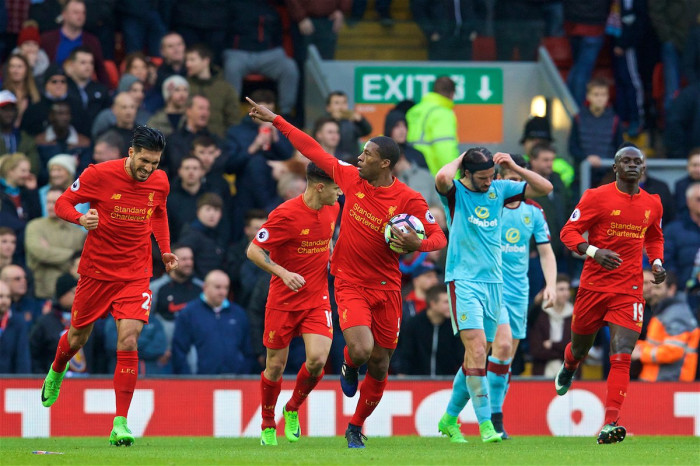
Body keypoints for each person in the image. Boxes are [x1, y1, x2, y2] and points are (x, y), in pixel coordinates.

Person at [247, 96, 447, 449]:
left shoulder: (409, 199)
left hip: (387, 287)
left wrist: (416, 245)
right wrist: (276, 119)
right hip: (349, 281)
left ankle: (356, 425)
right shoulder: (349, 178)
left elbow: (437, 236)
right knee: (360, 349)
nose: (359, 158)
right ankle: (349, 365)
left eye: (367, 155)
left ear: (385, 163)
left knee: (382, 364)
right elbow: (311, 148)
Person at [40, 125, 178, 447]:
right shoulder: (98, 175)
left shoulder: (160, 181)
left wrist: (165, 249)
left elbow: (158, 213)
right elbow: (63, 202)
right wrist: (80, 219)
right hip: (97, 272)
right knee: (78, 336)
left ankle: (120, 422)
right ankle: (58, 368)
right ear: (130, 153)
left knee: (129, 340)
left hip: (135, 273)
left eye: (155, 163)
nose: (148, 169)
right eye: (144, 161)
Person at [433, 147, 553, 444]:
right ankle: (488, 426)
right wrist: (462, 156)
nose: (488, 182)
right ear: (467, 174)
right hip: (463, 281)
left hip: (494, 284)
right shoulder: (456, 192)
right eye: (482, 178)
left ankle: (449, 418)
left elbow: (545, 188)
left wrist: (514, 165)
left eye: (491, 177)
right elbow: (441, 176)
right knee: (476, 351)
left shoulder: (500, 189)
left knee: (477, 354)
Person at [556, 145, 666, 444]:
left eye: (637, 162)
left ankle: (610, 423)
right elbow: (569, 232)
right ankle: (569, 366)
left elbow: (654, 236)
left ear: (643, 169)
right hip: (593, 287)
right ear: (615, 168)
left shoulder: (652, 203)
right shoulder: (596, 197)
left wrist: (656, 263)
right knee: (579, 348)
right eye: (626, 161)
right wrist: (594, 251)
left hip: (628, 289)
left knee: (622, 353)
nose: (632, 165)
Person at [247, 162, 341, 445]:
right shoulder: (285, 214)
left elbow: (326, 241)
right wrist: (283, 273)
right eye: (336, 187)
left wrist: (332, 256)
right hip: (283, 300)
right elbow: (253, 250)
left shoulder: (333, 208)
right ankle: (266, 424)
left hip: (317, 298)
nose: (340, 192)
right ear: (319, 187)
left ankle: (292, 408)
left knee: (317, 360)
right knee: (274, 366)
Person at [488, 154, 557, 438]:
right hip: (491, 287)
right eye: (507, 178)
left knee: (506, 357)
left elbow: (545, 252)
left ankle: (488, 413)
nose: (513, 184)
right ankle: (493, 418)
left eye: (518, 179)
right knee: (501, 348)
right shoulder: (488, 207)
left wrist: (551, 284)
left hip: (520, 292)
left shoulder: (533, 212)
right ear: (497, 179)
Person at [172, 270, 254, 375]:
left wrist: (243, 374)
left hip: (234, 381)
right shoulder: (189, 313)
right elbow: (179, 350)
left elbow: (247, 350)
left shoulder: (238, 314)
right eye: (218, 287)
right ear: (205, 287)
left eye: (226, 288)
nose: (222, 292)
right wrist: (188, 380)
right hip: (200, 381)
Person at [634, 269, 699, 381]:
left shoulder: (676, 313)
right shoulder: (665, 311)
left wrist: (641, 353)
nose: (653, 292)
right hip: (657, 381)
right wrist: (637, 347)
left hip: (669, 382)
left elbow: (673, 351)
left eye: (658, 288)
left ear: (671, 289)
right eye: (653, 288)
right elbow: (654, 344)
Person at [24, 187, 85, 300]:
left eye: (54, 202)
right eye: (48, 202)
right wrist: (71, 256)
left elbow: (79, 264)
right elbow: (39, 253)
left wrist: (50, 252)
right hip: (40, 292)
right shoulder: (34, 226)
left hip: (69, 296)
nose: (50, 206)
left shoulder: (78, 233)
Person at [392, 284, 464, 376]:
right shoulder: (413, 324)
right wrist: (402, 376)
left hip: (447, 381)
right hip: (416, 381)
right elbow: (406, 355)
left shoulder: (454, 327)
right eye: (446, 302)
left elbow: (460, 357)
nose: (451, 305)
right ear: (433, 304)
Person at [406, 77, 458, 176]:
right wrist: (454, 180)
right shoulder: (443, 113)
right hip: (431, 177)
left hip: (410, 173)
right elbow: (445, 150)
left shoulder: (414, 111)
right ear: (452, 94)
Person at [529, 274, 574, 377]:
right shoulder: (540, 315)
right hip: (542, 372)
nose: (566, 293)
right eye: (561, 289)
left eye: (567, 289)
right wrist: (563, 350)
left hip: (569, 374)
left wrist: (552, 345)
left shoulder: (574, 316)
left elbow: (576, 351)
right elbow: (536, 350)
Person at [0, 279, 30, 374]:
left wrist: (23, 383)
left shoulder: (19, 321)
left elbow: (22, 357)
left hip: (8, 381)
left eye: (8, 297)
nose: (5, 301)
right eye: (0, 296)